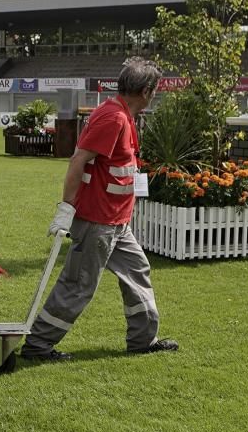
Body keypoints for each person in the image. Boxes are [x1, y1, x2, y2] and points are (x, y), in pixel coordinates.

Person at [21, 57, 179, 362]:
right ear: (146, 90)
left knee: (137, 271)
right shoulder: (113, 118)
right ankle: (37, 346)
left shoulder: (122, 115)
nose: (155, 94)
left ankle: (143, 340)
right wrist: (66, 208)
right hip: (98, 222)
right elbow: (78, 160)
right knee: (78, 285)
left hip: (116, 222)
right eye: (155, 89)